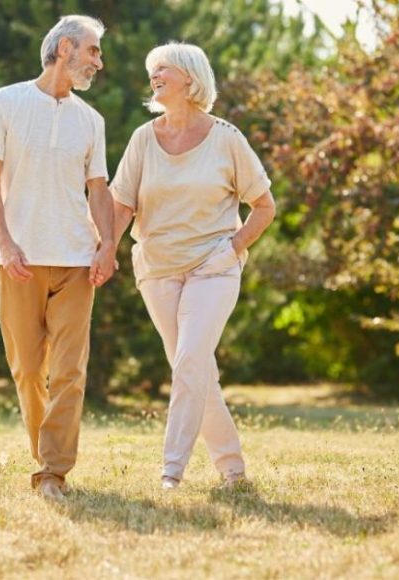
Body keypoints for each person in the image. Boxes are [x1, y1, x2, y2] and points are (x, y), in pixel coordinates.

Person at [110, 42, 277, 490]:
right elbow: (121, 204)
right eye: (152, 70)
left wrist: (234, 248)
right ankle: (233, 470)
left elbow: (264, 206)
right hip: (158, 269)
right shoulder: (144, 139)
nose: (154, 75)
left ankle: (171, 472)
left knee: (188, 363)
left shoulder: (226, 137)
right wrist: (104, 248)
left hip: (213, 268)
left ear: (190, 78)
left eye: (163, 68)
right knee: (196, 370)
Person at [0, 15, 116, 501]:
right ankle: (43, 453)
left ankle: (53, 470)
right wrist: (6, 243)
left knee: (70, 371)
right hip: (19, 260)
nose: (98, 61)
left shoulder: (91, 120)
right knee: (28, 369)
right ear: (66, 48)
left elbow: (99, 190)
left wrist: (108, 244)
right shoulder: (3, 103)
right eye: (93, 51)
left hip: (76, 259)